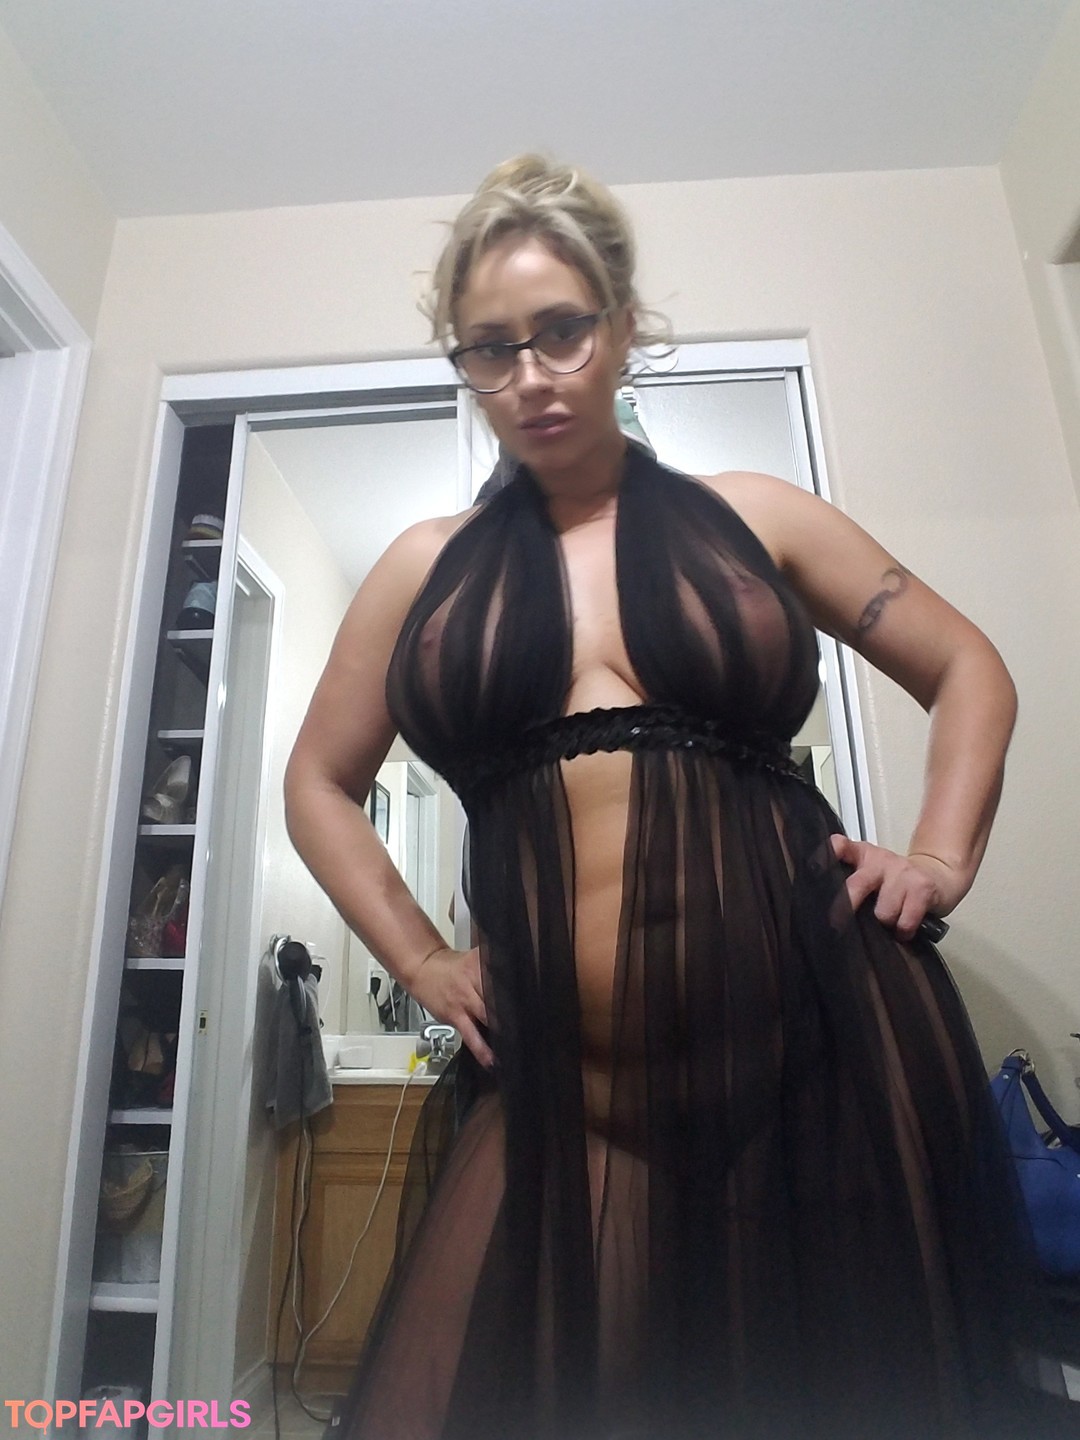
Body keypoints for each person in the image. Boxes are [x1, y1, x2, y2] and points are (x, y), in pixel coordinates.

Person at [283, 156, 1076, 1440]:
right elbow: (318, 782)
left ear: (622, 325)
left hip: (830, 1055)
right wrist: (420, 958)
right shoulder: (422, 570)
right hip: (571, 1094)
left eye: (561, 329)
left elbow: (967, 666)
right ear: (464, 362)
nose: (532, 374)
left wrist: (938, 856)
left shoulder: (756, 519)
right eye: (491, 347)